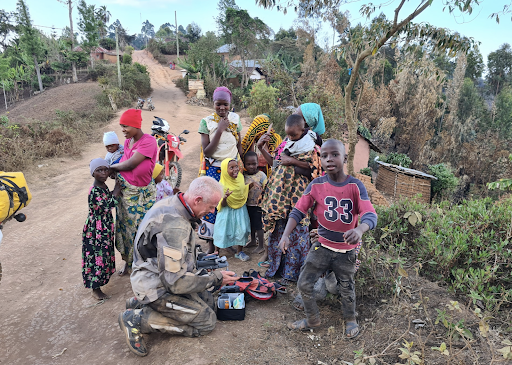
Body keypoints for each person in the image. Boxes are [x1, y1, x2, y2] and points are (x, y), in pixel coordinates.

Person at [118, 176, 239, 357]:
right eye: (211, 207)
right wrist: (216, 279)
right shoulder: (175, 226)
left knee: (209, 302)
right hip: (156, 284)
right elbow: (175, 282)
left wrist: (201, 258)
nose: (212, 211)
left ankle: (139, 302)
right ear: (197, 200)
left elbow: (175, 252)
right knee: (206, 321)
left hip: (157, 274)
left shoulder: (175, 203)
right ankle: (136, 319)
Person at [280, 139, 377, 338]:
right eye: (324, 156)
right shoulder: (316, 185)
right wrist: (285, 234)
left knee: (346, 287)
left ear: (345, 157)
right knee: (304, 283)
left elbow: (370, 215)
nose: (329, 159)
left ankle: (350, 319)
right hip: (322, 246)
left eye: (334, 154)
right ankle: (312, 318)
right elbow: (299, 209)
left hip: (346, 250)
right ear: (320, 160)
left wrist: (359, 230)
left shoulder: (355, 186)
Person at [257, 114, 322, 285]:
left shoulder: (312, 146)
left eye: (293, 135)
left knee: (296, 232)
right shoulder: (286, 143)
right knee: (278, 230)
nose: (290, 137)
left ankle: (291, 274)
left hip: (298, 197)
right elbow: (276, 163)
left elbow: (315, 171)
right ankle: (275, 269)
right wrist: (261, 148)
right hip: (279, 198)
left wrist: (292, 161)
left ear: (303, 129)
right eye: (288, 134)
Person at [109, 109, 157, 276]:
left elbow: (130, 164)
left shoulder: (149, 141)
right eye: (121, 126)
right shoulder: (128, 143)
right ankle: (129, 263)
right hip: (127, 195)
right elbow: (124, 163)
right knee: (127, 230)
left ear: (136, 125)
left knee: (145, 231)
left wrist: (111, 168)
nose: (123, 130)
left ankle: (146, 265)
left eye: (125, 126)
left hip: (144, 196)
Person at [198, 86, 243, 254]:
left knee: (229, 204)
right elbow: (207, 151)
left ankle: (226, 240)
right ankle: (211, 243)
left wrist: (241, 164)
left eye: (225, 104)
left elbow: (238, 144)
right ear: (213, 103)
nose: (222, 108)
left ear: (230, 104)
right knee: (213, 205)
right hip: (214, 170)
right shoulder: (206, 121)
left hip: (232, 170)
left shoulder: (236, 119)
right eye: (218, 104)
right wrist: (220, 129)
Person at [82, 158, 121, 300]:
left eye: (105, 169)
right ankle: (95, 289)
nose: (104, 173)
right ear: (93, 173)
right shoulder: (94, 190)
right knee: (96, 257)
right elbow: (106, 206)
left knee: (103, 255)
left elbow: (106, 200)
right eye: (99, 170)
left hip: (103, 228)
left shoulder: (102, 187)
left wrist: (112, 192)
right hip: (96, 230)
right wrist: (116, 192)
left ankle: (102, 281)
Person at [213, 158, 251, 261]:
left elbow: (242, 192)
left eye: (236, 166)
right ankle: (217, 252)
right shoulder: (221, 185)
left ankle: (239, 252)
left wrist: (250, 185)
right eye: (231, 168)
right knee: (222, 231)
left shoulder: (240, 178)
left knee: (242, 230)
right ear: (225, 170)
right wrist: (225, 198)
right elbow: (222, 204)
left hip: (240, 210)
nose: (235, 169)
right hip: (226, 212)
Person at [243, 151, 268, 262]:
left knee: (259, 226)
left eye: (254, 163)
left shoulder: (261, 175)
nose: (251, 166)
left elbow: (267, 189)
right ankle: (253, 240)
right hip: (248, 204)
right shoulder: (243, 176)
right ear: (244, 165)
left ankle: (261, 245)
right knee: (251, 224)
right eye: (248, 164)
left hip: (258, 205)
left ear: (258, 163)